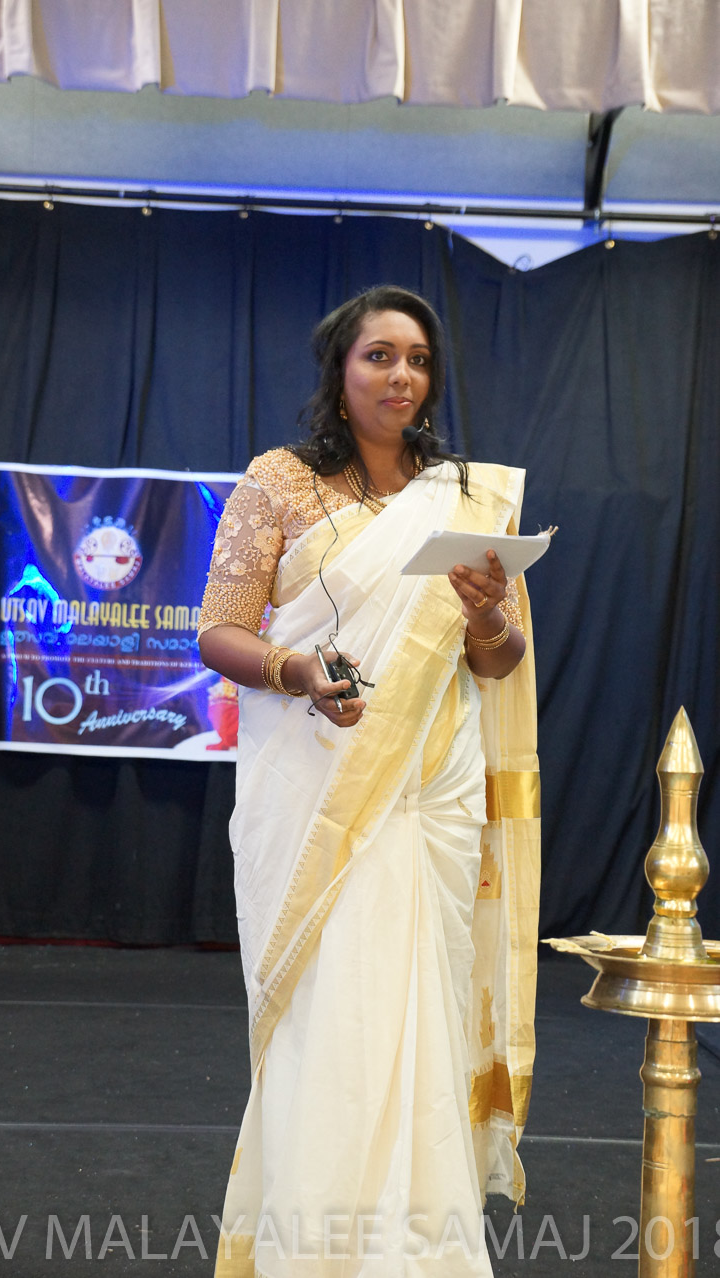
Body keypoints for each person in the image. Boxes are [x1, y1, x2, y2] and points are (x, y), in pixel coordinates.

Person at [198, 285, 540, 1276]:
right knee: (332, 1011)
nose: (402, 376)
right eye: (380, 356)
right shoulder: (280, 482)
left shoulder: (463, 498)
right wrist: (298, 671)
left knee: (421, 1005)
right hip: (315, 781)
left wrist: (487, 611)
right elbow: (218, 630)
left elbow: (498, 662)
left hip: (431, 794)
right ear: (339, 370)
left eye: (419, 360)